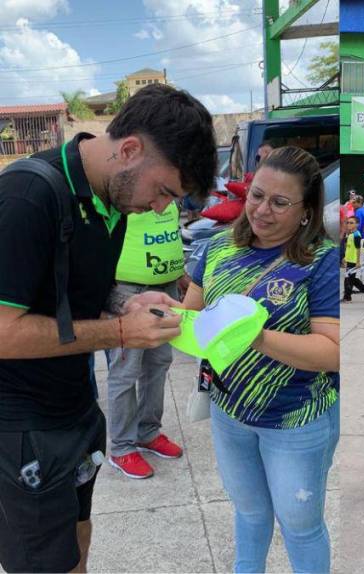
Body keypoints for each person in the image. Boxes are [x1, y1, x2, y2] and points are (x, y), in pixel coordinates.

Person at [0, 83, 216, 574]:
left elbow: (78, 297)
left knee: (77, 537)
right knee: (41, 563)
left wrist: (128, 302)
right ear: (131, 149)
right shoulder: (28, 196)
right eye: (164, 192)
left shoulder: (110, 203)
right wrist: (120, 335)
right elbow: (3, 331)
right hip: (23, 430)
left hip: (76, 409)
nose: (162, 209)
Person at [182, 146, 341, 572]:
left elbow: (332, 351)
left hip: (295, 421)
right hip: (228, 411)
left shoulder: (320, 261)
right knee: (249, 514)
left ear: (306, 211)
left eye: (279, 202)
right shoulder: (217, 248)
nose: (261, 210)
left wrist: (254, 336)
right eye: (256, 195)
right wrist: (165, 316)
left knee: (300, 526)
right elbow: (194, 315)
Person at [105, 200, 187, 480]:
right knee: (125, 372)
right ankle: (122, 447)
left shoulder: (170, 188)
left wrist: (180, 275)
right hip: (129, 290)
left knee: (159, 364)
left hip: (166, 287)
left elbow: (169, 234)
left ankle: (147, 432)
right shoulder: (126, 190)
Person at [343, 215, 364, 301]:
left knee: (348, 279)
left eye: (351, 223)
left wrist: (358, 261)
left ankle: (347, 297)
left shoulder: (356, 235)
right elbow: (348, 247)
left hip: (354, 261)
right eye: (348, 223)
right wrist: (345, 257)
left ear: (357, 224)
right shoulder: (349, 234)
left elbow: (358, 249)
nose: (349, 224)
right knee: (351, 279)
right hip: (349, 259)